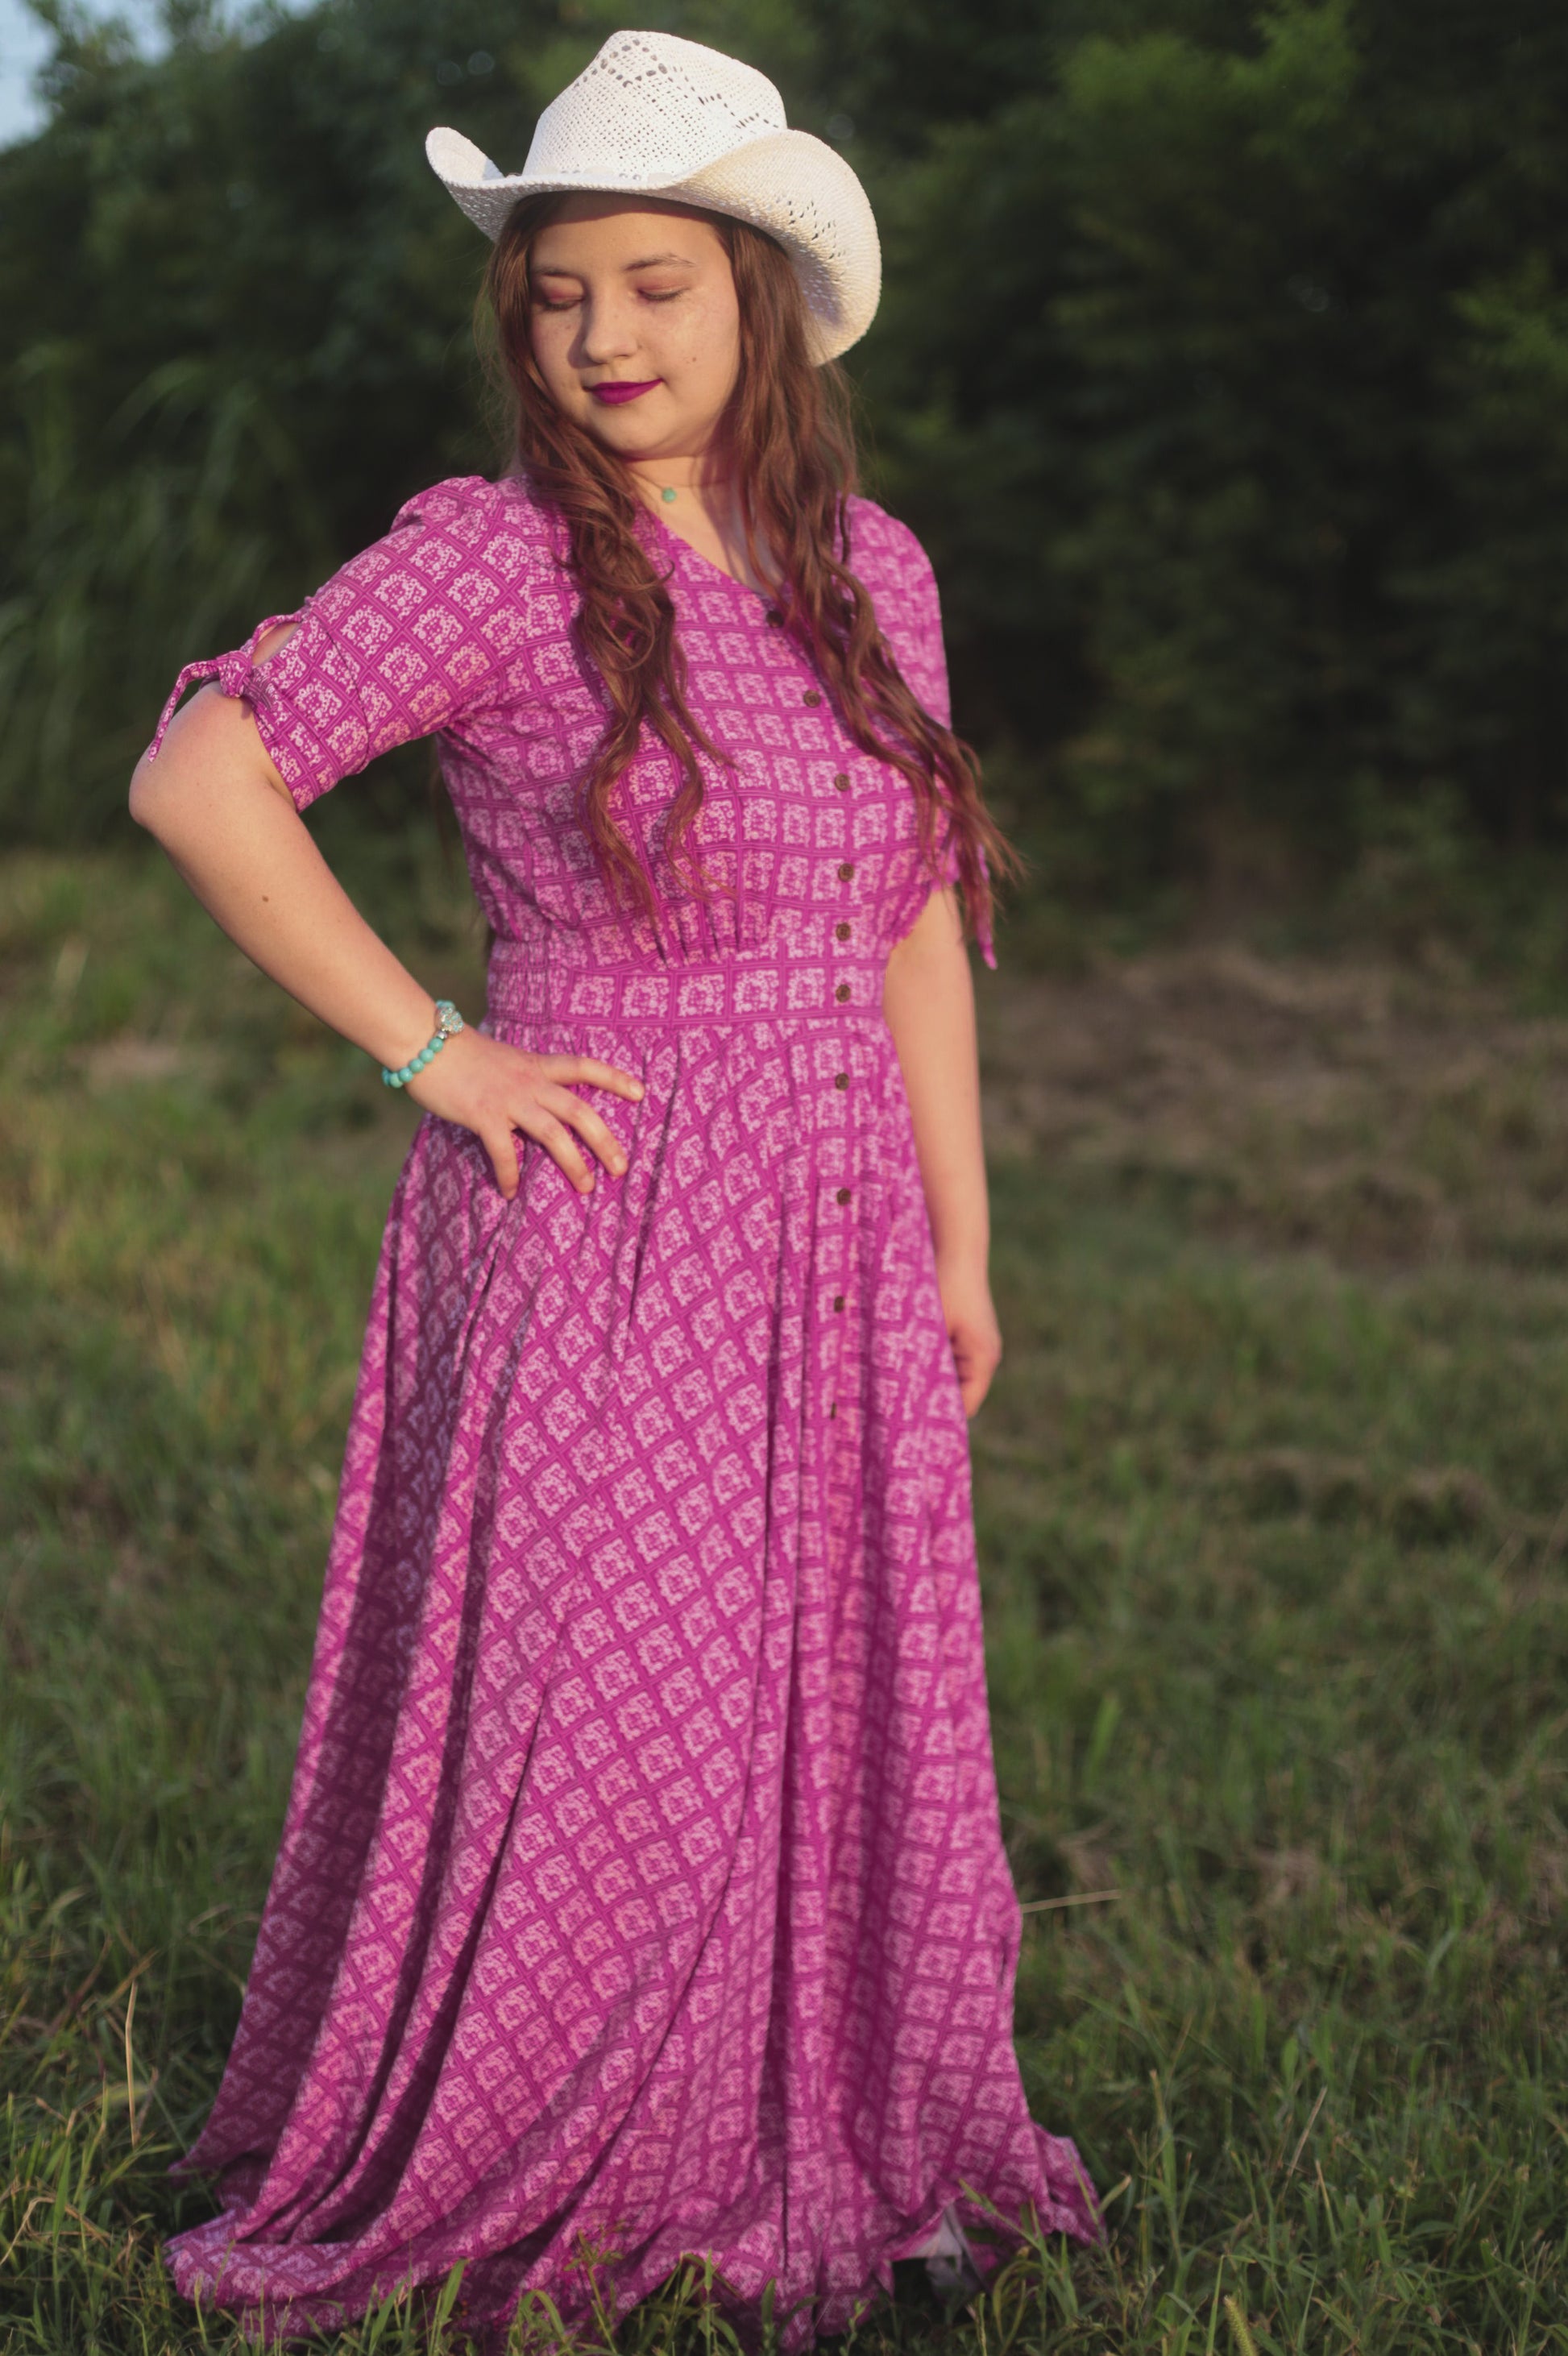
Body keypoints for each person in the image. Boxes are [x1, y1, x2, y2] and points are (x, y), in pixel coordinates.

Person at [129, 28, 1099, 2348]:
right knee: (604, 1719)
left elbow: (910, 933)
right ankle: (569, 2140)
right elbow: (201, 776)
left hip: (840, 1218)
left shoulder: (873, 568)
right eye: (559, 293)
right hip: (596, 1207)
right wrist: (435, 1049)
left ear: (761, 292)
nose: (601, 335)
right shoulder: (493, 557)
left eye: (653, 281)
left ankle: (840, 2132)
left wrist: (964, 1240)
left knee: (831, 1687)